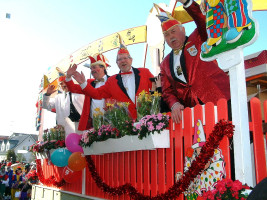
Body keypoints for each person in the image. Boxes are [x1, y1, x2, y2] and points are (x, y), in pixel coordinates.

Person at [154, 1, 230, 124]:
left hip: (220, 97)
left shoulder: (199, 37)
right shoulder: (165, 64)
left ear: (183, 30)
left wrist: (188, 3)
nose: (171, 37)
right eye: (167, 35)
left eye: (173, 31)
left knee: (233, 139)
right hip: (194, 112)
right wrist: (174, 104)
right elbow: (167, 91)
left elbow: (202, 19)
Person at [66, 34, 154, 120]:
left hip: (146, 119)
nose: (123, 61)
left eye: (125, 58)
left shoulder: (144, 72)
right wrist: (82, 83)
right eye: (119, 59)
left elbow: (157, 88)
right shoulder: (112, 81)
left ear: (131, 60)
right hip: (125, 124)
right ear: (117, 63)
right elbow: (97, 94)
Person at [65, 53, 111, 130]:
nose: (92, 70)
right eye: (91, 68)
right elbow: (73, 88)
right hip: (93, 124)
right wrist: (68, 76)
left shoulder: (113, 80)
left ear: (103, 68)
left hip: (111, 120)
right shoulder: (88, 83)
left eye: (94, 67)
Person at [42, 70, 85, 135]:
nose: (64, 85)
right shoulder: (58, 98)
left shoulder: (79, 94)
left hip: (78, 129)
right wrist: (48, 94)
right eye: (61, 83)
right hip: (62, 131)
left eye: (65, 82)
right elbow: (46, 106)